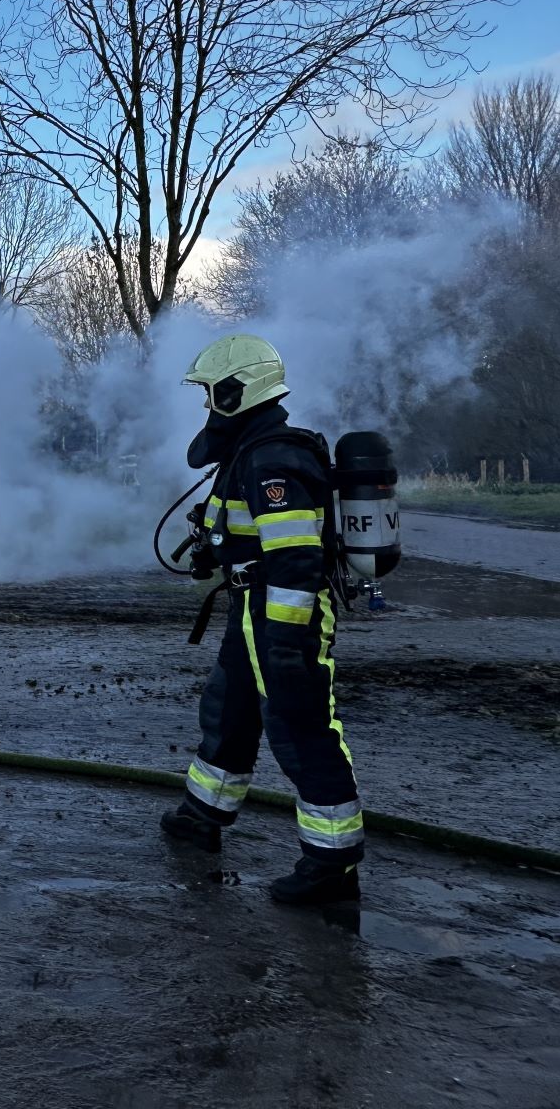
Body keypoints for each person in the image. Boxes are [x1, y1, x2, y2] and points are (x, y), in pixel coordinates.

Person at [161, 334, 365, 905]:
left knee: (300, 728)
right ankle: (204, 816)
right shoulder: (251, 451)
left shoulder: (274, 457)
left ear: (235, 391)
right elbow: (245, 530)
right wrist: (214, 542)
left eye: (210, 394)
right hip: (253, 608)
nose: (206, 407)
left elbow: (296, 558)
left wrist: (284, 638)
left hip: (281, 613)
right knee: (229, 712)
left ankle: (332, 864)